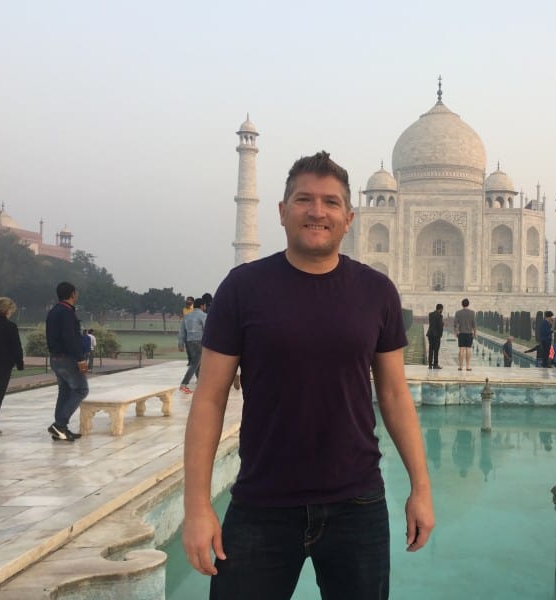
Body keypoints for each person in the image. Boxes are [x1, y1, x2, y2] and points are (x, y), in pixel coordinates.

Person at [182, 151, 434, 598]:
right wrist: (197, 506)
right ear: (282, 211)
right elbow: (209, 400)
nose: (318, 212)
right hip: (262, 501)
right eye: (304, 200)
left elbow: (394, 396)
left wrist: (421, 488)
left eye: (331, 202)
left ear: (350, 216)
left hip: (357, 502)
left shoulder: (377, 292)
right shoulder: (242, 288)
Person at [45, 282, 88, 441]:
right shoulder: (67, 312)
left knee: (64, 392)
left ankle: (60, 429)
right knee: (81, 390)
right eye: (76, 292)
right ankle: (60, 425)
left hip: (56, 357)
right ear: (72, 294)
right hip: (67, 358)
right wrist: (80, 359)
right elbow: (70, 338)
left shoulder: (54, 311)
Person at [0, 297, 24, 435]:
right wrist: (20, 364)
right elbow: (16, 347)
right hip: (3, 365)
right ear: (8, 310)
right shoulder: (10, 327)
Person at [178, 298, 207, 394]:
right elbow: (207, 330)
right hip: (199, 341)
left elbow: (182, 331)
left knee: (197, 362)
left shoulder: (187, 316)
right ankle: (184, 384)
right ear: (202, 306)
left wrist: (181, 343)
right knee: (195, 363)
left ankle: (201, 383)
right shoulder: (204, 316)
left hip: (189, 341)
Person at [454, 298, 476, 371]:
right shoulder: (472, 313)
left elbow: (455, 324)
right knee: (468, 350)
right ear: (468, 304)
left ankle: (460, 366)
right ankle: (468, 366)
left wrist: (456, 332)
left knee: (461, 350)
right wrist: (475, 333)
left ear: (462, 304)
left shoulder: (458, 313)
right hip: (469, 333)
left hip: (461, 333)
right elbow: (474, 324)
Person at [426, 304, 444, 369]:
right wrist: (441, 334)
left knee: (431, 349)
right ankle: (435, 364)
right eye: (442, 309)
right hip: (436, 335)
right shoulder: (440, 316)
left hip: (430, 334)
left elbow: (432, 324)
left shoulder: (430, 314)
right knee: (436, 350)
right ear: (441, 309)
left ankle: (430, 365)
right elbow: (440, 326)